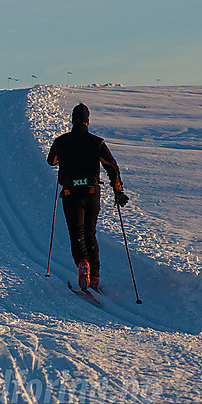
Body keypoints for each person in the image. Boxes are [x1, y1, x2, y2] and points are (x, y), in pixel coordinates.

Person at [47, 103, 129, 290]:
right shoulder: (97, 143)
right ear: (88, 122)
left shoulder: (61, 142)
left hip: (71, 194)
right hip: (92, 194)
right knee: (91, 233)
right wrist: (118, 190)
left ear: (72, 121)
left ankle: (83, 263)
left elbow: (51, 161)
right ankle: (95, 277)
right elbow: (112, 166)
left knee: (77, 234)